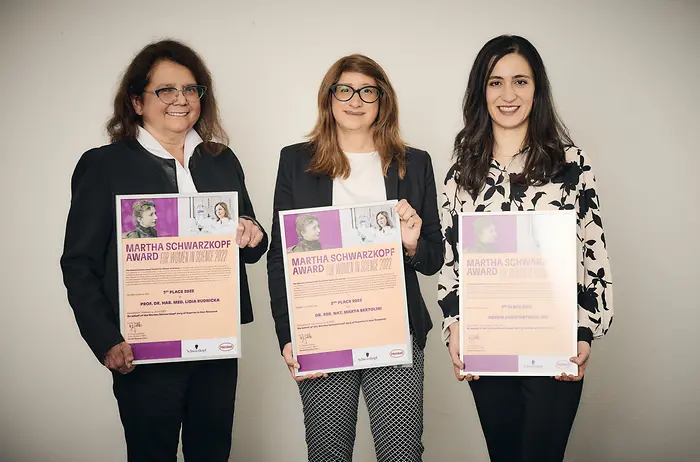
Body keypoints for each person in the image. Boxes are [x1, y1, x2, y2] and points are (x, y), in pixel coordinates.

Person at [60, 39, 268, 462]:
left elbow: (248, 241)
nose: (181, 99)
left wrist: (253, 233)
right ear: (137, 101)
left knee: (212, 452)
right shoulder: (104, 165)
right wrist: (104, 339)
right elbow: (79, 264)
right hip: (143, 349)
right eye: (166, 90)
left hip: (214, 344)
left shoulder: (220, 159)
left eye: (191, 89)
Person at [438, 35, 614, 462]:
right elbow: (452, 262)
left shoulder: (571, 163)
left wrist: (585, 330)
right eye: (495, 82)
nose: (508, 94)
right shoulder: (461, 173)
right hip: (489, 341)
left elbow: (594, 249)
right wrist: (454, 328)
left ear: (537, 90)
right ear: (482, 91)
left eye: (521, 81)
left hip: (555, 341)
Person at [267, 54, 443, 462]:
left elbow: (433, 258)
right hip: (323, 332)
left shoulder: (414, 163)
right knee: (328, 454)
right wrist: (287, 334)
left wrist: (413, 243)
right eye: (344, 89)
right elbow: (282, 257)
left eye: (368, 91)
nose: (355, 100)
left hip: (396, 332)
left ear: (383, 100)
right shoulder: (296, 160)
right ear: (329, 97)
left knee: (401, 454)